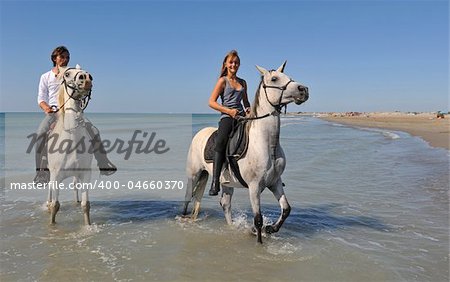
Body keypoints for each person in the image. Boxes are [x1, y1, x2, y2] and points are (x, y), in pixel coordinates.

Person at [34, 46, 117, 183]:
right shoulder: (45, 76)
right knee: (40, 133)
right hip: (54, 111)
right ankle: (41, 172)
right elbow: (41, 98)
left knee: (94, 131)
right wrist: (47, 108)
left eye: (67, 57)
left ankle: (103, 163)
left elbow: (82, 87)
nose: (65, 60)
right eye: (62, 57)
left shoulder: (72, 73)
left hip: (73, 110)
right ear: (55, 58)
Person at [207, 50, 251, 196]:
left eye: (236, 62)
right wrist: (229, 111)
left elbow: (246, 103)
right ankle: (215, 182)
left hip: (241, 117)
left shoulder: (243, 82)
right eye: (231, 62)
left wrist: (249, 111)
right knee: (220, 142)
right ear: (226, 64)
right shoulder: (222, 81)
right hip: (227, 117)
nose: (234, 65)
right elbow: (211, 103)